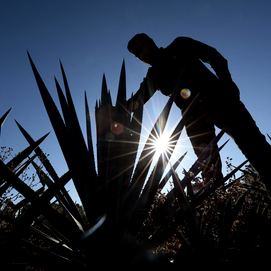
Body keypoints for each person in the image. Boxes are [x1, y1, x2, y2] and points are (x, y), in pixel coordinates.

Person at [127, 33, 271, 186]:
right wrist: (115, 110)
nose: (141, 56)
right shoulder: (154, 75)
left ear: (150, 42)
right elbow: (137, 100)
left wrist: (227, 84)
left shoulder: (179, 45)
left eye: (141, 49)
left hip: (223, 102)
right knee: (210, 171)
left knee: (257, 150)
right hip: (195, 122)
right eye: (137, 55)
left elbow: (215, 56)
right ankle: (218, 206)